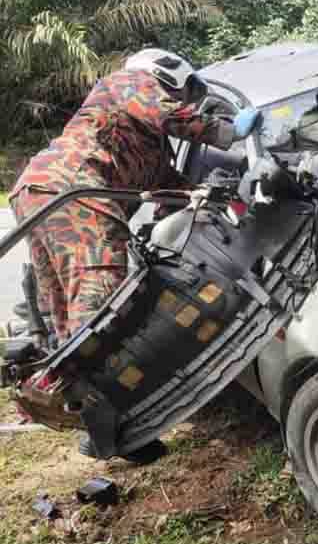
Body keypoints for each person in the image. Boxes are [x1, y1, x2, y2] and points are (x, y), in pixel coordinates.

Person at [9, 49, 262, 345]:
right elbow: (165, 112)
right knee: (99, 287)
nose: (182, 101)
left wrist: (216, 200)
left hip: (43, 190)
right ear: (167, 73)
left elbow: (169, 186)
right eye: (184, 93)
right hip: (72, 185)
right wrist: (228, 130)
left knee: (64, 300)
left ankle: (66, 373)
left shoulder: (147, 145)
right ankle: (91, 370)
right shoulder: (130, 80)